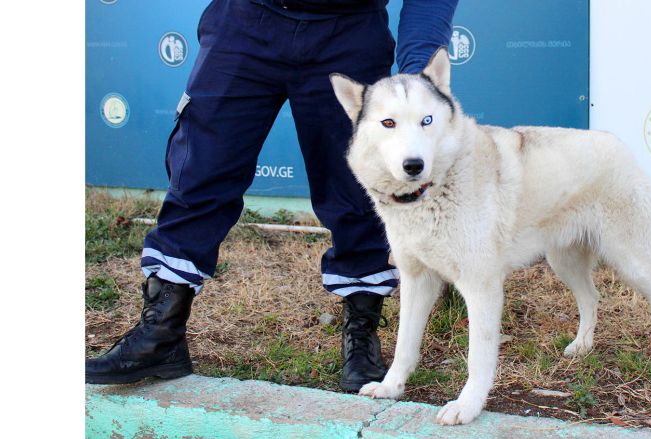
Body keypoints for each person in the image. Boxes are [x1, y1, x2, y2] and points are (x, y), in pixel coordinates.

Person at [86, 0, 458, 392]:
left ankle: (362, 336)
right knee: (201, 169)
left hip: (348, 30)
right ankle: (161, 332)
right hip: (246, 21)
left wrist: (420, 68)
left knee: (356, 186)